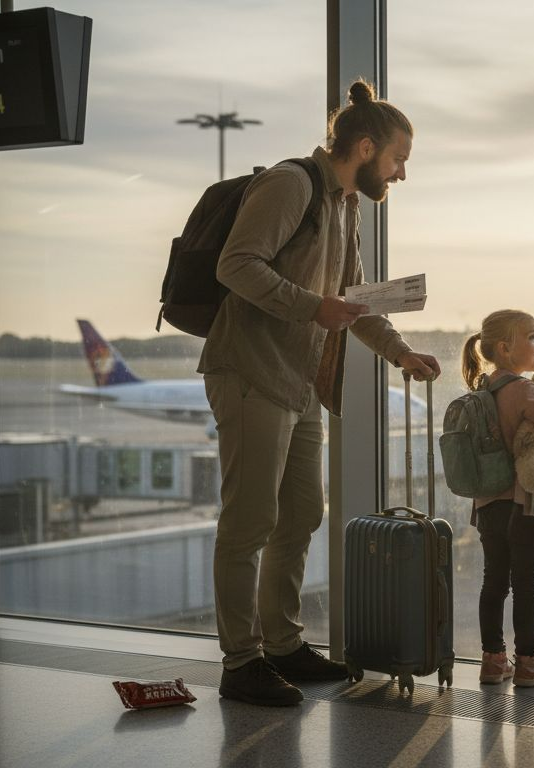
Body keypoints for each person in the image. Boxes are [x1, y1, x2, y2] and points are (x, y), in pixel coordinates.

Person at [199, 79, 440, 707]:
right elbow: (237, 264)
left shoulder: (344, 205)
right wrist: (312, 306)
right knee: (249, 520)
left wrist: (400, 353)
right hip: (251, 370)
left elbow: (353, 304)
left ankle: (281, 644)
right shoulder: (291, 185)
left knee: (302, 512)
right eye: (398, 161)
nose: (401, 174)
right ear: (364, 147)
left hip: (300, 378)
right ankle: (240, 662)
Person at [461, 309, 534, 688]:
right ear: (506, 349)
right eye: (532, 338)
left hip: (487, 502)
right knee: (527, 583)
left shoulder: (482, 391)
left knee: (494, 581)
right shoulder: (525, 390)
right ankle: (528, 661)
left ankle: (493, 660)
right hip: (524, 503)